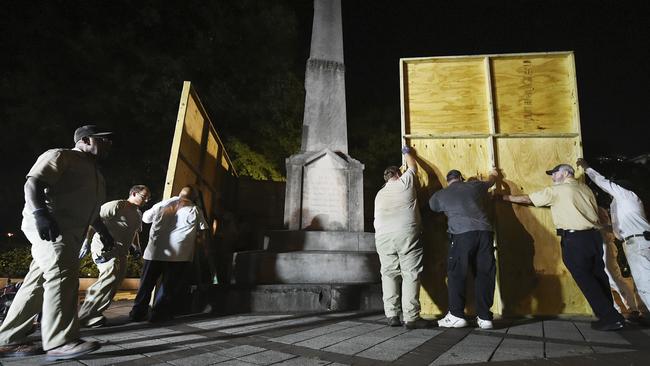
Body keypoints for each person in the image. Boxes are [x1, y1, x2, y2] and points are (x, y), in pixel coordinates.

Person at [0, 125, 113, 360]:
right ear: (86, 139)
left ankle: (8, 340)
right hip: (51, 226)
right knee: (62, 272)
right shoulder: (62, 155)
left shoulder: (96, 173)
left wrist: (103, 232)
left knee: (37, 282)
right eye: (104, 139)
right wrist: (40, 213)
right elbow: (33, 183)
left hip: (73, 232)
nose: (109, 144)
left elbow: (91, 211)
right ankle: (60, 341)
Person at [500, 163, 625, 331]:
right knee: (598, 276)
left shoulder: (558, 190)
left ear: (566, 173)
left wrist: (504, 198)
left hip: (575, 240)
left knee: (586, 279)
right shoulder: (585, 189)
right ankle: (608, 315)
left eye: (554, 173)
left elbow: (528, 199)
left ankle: (611, 317)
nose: (552, 177)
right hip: (594, 238)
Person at [577, 158, 650, 318]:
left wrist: (587, 167)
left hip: (638, 242)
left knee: (645, 282)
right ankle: (644, 313)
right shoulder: (623, 204)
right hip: (634, 243)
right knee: (641, 281)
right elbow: (615, 229)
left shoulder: (627, 195)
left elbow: (602, 182)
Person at [429, 168, 498, 329]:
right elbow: (491, 181)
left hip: (461, 235)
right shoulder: (474, 186)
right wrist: (494, 173)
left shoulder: (441, 194)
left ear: (448, 181)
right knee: (484, 273)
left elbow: (432, 207)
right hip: (485, 233)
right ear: (461, 178)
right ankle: (485, 317)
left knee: (456, 273)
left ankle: (456, 315)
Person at [129, 186, 208, 322]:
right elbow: (202, 232)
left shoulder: (162, 204)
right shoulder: (195, 210)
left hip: (155, 252)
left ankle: (138, 313)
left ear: (179, 193)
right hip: (179, 255)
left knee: (146, 284)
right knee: (168, 286)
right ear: (194, 197)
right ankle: (158, 314)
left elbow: (146, 219)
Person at [373, 146, 431, 329]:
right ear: (399, 173)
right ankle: (411, 317)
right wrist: (407, 153)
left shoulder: (380, 194)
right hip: (406, 234)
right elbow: (414, 167)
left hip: (382, 237)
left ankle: (391, 315)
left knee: (389, 274)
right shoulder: (405, 181)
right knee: (410, 274)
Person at [77, 185, 151, 328]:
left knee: (115, 283)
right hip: (105, 248)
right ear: (134, 193)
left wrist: (137, 247)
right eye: (144, 197)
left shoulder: (138, 214)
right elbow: (94, 221)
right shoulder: (117, 205)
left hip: (122, 252)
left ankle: (95, 314)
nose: (146, 200)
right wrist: (86, 242)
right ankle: (85, 316)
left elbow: (135, 232)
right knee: (109, 276)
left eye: (148, 198)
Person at [597, 206, 647, 318]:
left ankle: (631, 308)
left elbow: (608, 226)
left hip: (606, 246)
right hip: (601, 246)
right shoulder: (595, 208)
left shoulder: (599, 209)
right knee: (607, 279)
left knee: (614, 278)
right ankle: (619, 309)